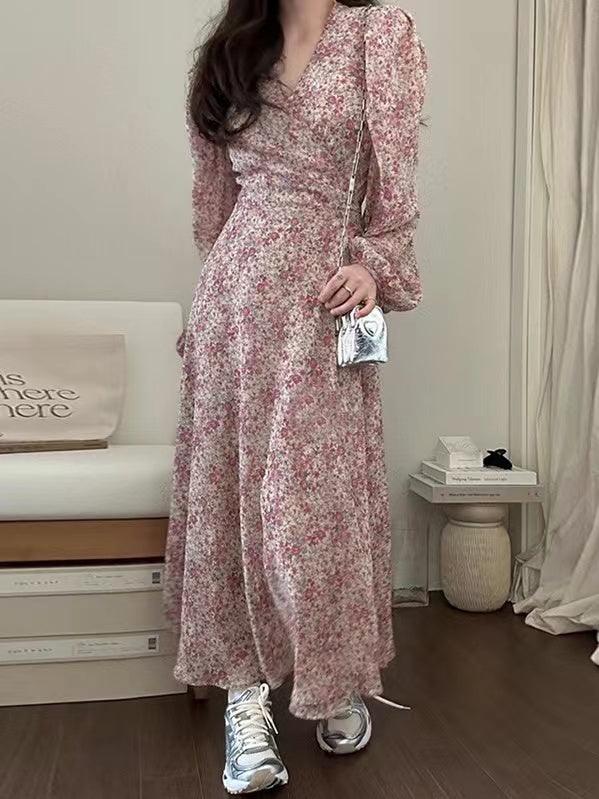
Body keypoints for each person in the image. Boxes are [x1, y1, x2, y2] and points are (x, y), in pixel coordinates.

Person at [163, 0, 428, 793]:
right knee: (232, 501)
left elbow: (394, 185)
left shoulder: (378, 36)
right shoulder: (229, 54)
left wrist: (373, 264)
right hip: (236, 305)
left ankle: (335, 676)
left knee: (316, 503)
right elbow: (215, 209)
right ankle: (244, 696)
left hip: (323, 303)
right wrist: (213, 310)